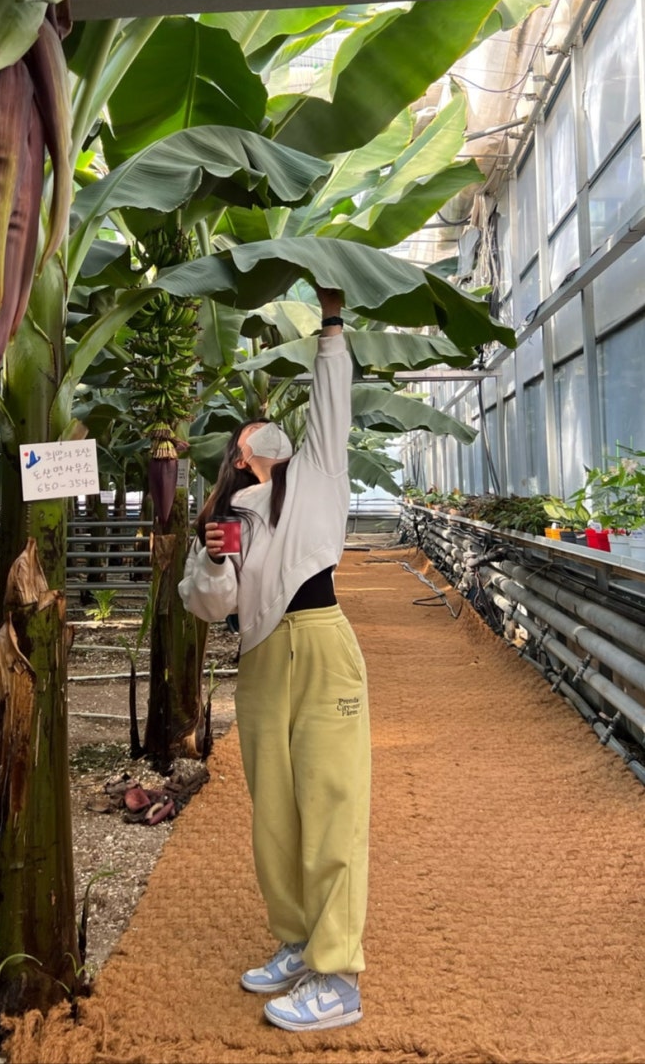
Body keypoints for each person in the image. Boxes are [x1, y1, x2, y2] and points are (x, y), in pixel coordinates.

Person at [178, 287, 370, 1033]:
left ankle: (338, 976)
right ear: (238, 453)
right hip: (258, 656)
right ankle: (295, 941)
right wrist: (216, 557)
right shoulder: (225, 519)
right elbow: (210, 606)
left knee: (331, 802)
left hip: (321, 640)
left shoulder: (317, 474)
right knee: (276, 816)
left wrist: (329, 324)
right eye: (253, 430)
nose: (269, 432)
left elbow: (330, 401)